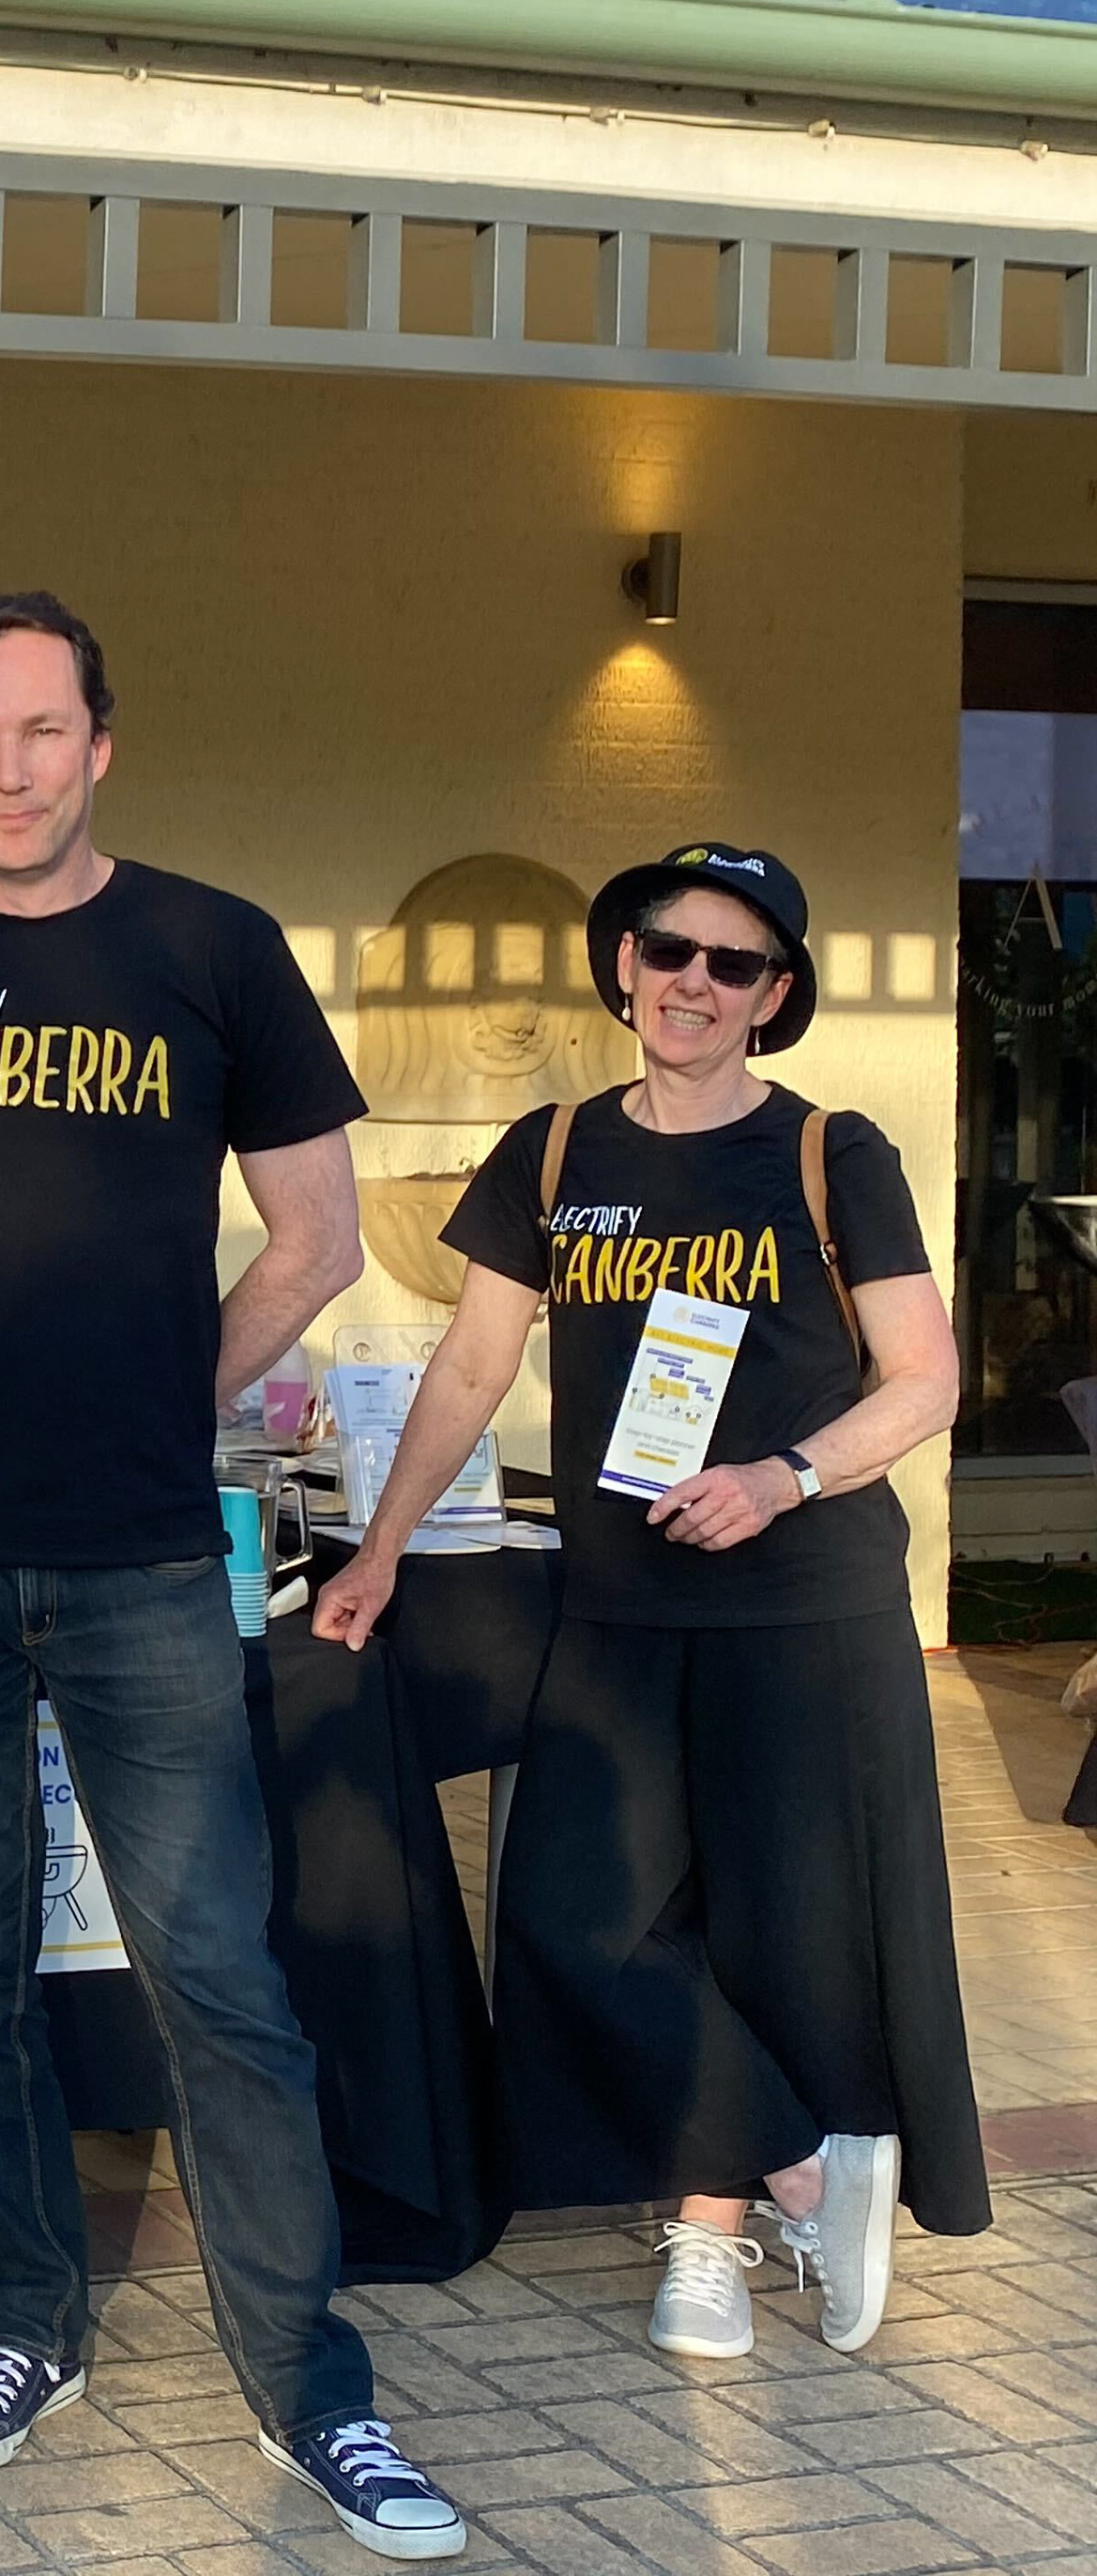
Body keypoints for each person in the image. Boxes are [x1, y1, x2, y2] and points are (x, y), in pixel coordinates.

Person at [0, 592, 466, 2562]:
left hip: (146, 1557)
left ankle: (310, 2390)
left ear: (101, 742)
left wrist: (176, 1400)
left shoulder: (213, 948)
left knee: (218, 1977)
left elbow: (318, 1235)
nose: (11, 770)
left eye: (43, 731)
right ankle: (28, 2314)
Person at [313, 843, 981, 2362]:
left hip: (804, 1613)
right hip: (617, 1608)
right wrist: (380, 1545)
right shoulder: (553, 1154)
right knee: (576, 1919)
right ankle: (807, 2162)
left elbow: (925, 1381)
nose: (694, 983)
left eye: (734, 964)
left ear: (774, 995)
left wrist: (783, 1478)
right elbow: (473, 1364)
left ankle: (707, 2232)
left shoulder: (832, 1155)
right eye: (670, 950)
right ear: (624, 966)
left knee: (776, 1930)